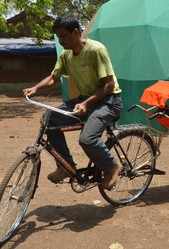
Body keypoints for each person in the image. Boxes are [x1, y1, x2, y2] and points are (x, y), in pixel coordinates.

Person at [23, 14, 123, 190]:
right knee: (49, 119)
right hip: (86, 100)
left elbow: (108, 86)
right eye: (58, 36)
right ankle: (65, 166)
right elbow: (54, 78)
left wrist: (86, 103)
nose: (60, 41)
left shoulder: (96, 50)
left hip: (109, 101)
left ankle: (113, 167)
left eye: (63, 36)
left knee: (87, 139)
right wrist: (36, 89)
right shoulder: (66, 55)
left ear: (75, 32)